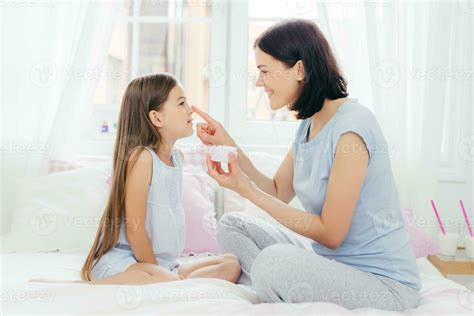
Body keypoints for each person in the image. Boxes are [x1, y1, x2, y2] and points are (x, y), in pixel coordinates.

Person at [193, 19, 421, 312]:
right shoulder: (310, 125)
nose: (259, 82)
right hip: (330, 265)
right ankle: (272, 284)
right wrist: (229, 143)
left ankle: (270, 282)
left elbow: (331, 234)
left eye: (264, 71)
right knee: (233, 225)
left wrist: (245, 191)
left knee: (274, 263)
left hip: (383, 286)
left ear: (298, 70)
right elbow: (277, 191)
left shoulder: (352, 129)